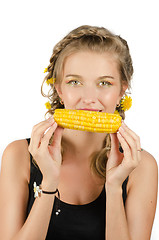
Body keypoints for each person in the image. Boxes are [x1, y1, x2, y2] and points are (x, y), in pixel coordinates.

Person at [0, 25, 158, 240]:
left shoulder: (141, 166)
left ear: (122, 90)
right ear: (59, 89)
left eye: (104, 83)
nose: (89, 98)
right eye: (75, 82)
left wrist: (113, 188)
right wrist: (49, 183)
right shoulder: (19, 155)